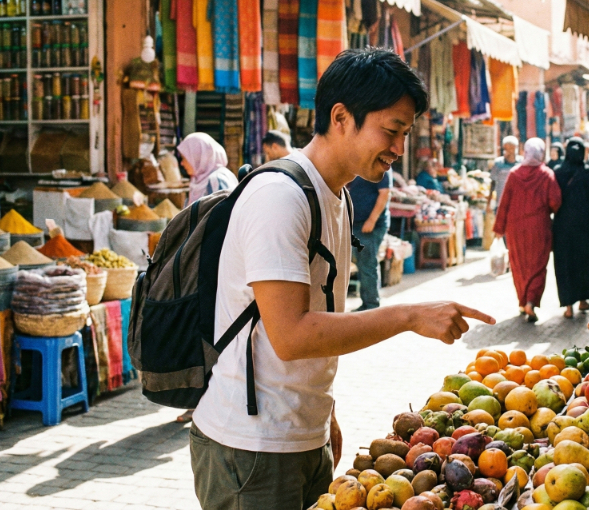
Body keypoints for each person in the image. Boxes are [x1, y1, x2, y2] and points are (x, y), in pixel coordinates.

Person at [190, 48, 494, 510]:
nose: (399, 148)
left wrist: (322, 413)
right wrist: (409, 314)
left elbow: (319, 320)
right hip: (251, 447)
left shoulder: (336, 196)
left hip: (299, 436)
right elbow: (291, 335)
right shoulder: (280, 197)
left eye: (405, 133)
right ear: (340, 116)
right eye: (391, 130)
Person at [174, 132, 241, 424]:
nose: (183, 163)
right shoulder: (201, 179)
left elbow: (222, 226)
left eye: (186, 157)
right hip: (200, 264)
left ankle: (205, 401)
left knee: (207, 334)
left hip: (213, 267)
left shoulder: (218, 181)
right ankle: (201, 399)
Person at [493, 138, 561, 323]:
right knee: (538, 266)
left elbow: (504, 202)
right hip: (539, 228)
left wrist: (499, 228)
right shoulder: (546, 174)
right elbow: (555, 202)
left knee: (519, 265)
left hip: (515, 228)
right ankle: (531, 300)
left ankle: (522, 302)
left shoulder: (514, 174)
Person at [552, 138, 589, 318]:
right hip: (585, 228)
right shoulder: (588, 174)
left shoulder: (557, 173)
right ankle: (583, 300)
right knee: (584, 264)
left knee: (564, 265)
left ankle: (568, 306)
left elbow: (551, 200)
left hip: (562, 228)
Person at [349, 168, 391, 312]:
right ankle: (368, 303)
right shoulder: (360, 166)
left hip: (370, 225)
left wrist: (372, 220)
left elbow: (384, 193)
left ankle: (372, 305)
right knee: (362, 263)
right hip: (357, 223)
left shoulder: (381, 167)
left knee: (367, 264)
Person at [178, 132, 239, 205]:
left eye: (184, 158)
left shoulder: (217, 180)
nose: (182, 163)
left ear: (197, 157)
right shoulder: (197, 181)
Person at [489, 136, 519, 210]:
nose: (506, 151)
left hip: (517, 204)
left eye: (509, 148)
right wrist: (488, 203)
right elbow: (493, 183)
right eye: (505, 149)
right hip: (501, 203)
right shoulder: (498, 163)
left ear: (515, 148)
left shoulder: (522, 163)